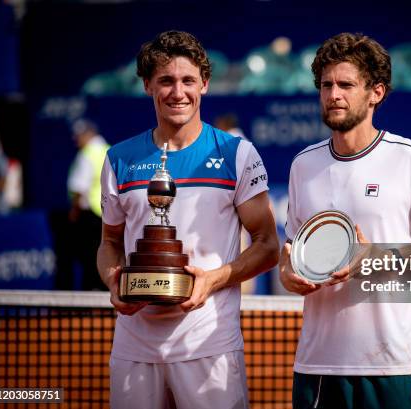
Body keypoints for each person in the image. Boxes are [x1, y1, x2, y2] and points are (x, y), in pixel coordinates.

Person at [279, 33, 411, 409]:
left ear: (376, 92)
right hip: (317, 366)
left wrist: (379, 256)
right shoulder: (303, 165)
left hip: (391, 363)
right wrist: (287, 272)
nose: (334, 95)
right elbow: (293, 249)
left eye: (346, 85)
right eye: (326, 85)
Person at [98, 30, 279, 409]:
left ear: (205, 84)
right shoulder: (118, 158)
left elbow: (267, 245)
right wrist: (114, 281)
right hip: (134, 346)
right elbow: (110, 243)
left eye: (187, 81)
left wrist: (211, 280)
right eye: (165, 80)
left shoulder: (236, 154)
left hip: (208, 346)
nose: (177, 92)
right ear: (148, 85)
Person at [67, 118, 109, 290]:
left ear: (89, 133)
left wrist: (74, 213)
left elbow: (79, 188)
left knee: (89, 257)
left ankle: (92, 294)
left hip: (90, 215)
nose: (76, 139)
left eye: (79, 135)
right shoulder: (109, 150)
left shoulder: (87, 154)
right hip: (108, 214)